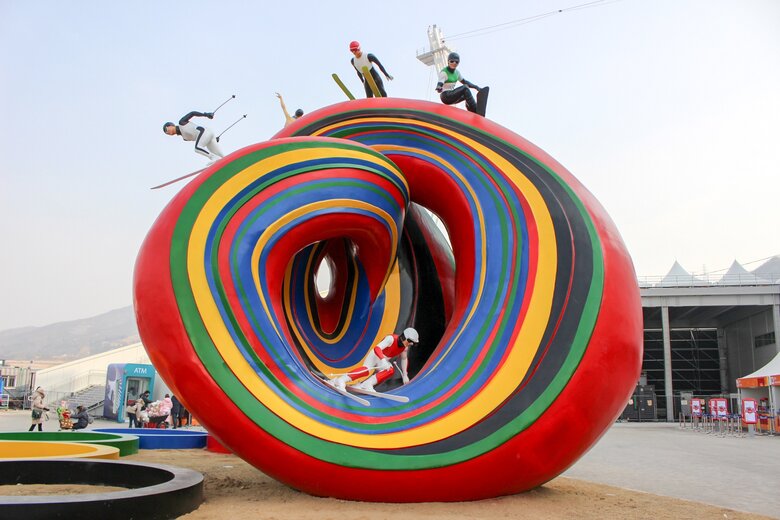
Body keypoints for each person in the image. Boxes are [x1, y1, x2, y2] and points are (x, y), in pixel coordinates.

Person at [329, 328, 419, 392]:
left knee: (390, 370)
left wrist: (405, 374)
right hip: (376, 355)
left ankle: (367, 384)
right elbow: (377, 348)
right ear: (404, 337)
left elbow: (404, 359)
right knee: (366, 370)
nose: (410, 344)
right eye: (410, 341)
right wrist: (383, 360)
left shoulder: (404, 348)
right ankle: (340, 380)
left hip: (383, 360)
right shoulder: (391, 339)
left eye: (412, 343)